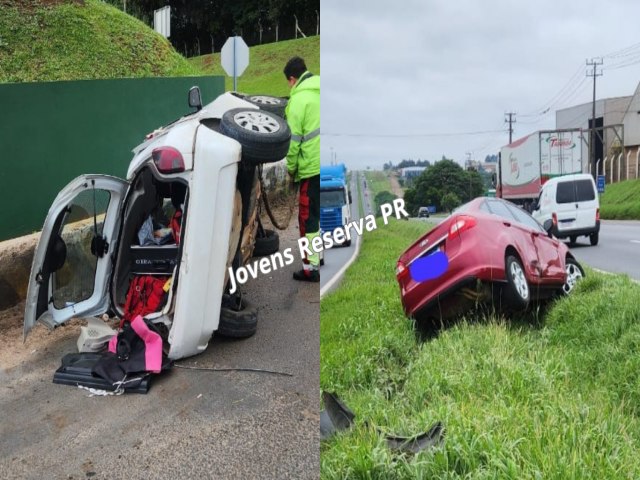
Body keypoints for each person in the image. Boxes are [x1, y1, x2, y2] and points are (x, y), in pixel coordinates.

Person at [283, 56, 320, 282]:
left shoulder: (299, 100)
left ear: (292, 79)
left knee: (308, 219)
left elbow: (293, 142)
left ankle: (310, 268)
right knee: (318, 217)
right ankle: (318, 260)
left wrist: (290, 168)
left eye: (288, 82)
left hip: (310, 167)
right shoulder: (320, 90)